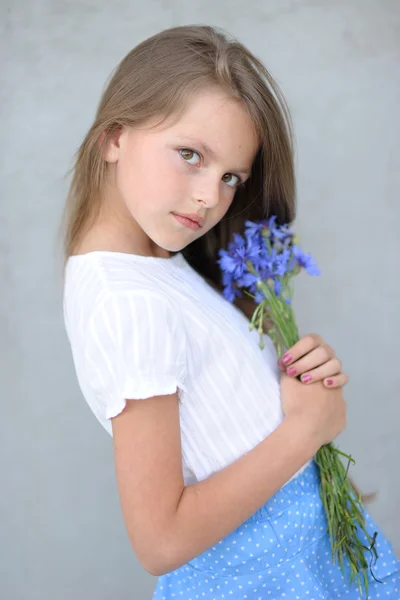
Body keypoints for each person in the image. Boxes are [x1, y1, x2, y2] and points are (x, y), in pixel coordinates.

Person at [62, 25, 399, 599]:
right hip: (258, 578)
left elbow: (223, 417)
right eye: (189, 155)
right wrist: (305, 428)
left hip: (302, 565)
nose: (209, 197)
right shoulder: (128, 301)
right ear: (114, 137)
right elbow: (160, 541)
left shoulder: (160, 267)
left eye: (230, 178)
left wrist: (294, 380)